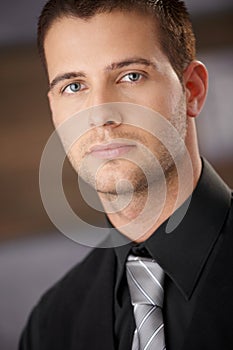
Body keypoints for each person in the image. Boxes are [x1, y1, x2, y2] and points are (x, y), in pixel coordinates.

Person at [19, 1, 233, 349]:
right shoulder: (51, 327)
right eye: (73, 86)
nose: (101, 114)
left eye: (131, 76)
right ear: (53, 109)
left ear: (192, 90)